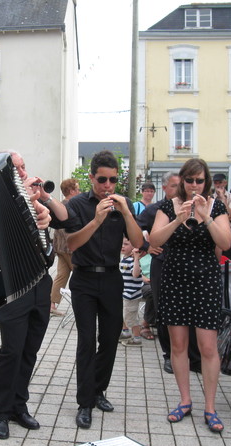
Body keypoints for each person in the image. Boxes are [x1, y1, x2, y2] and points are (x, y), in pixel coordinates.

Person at [0, 151, 71, 439]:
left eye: (25, 167)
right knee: (11, 350)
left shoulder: (33, 200)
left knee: (30, 350)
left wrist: (43, 204)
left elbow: (65, 219)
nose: (24, 172)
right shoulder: (0, 200)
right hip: (12, 289)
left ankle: (18, 406)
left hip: (40, 285)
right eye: (18, 168)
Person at [149, 158, 231, 433]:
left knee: (208, 347)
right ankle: (185, 401)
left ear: (206, 182)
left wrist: (206, 216)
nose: (194, 185)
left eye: (199, 181)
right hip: (175, 280)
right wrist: (179, 219)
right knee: (178, 346)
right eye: (190, 180)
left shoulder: (215, 205)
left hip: (206, 281)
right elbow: (155, 240)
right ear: (182, 181)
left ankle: (210, 406)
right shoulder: (167, 205)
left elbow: (226, 242)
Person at [65, 150, 144, 429]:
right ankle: (84, 402)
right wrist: (97, 220)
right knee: (86, 341)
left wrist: (126, 212)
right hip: (84, 279)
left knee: (110, 339)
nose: (108, 186)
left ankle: (98, 390)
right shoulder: (76, 204)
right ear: (91, 178)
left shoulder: (124, 205)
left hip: (112, 278)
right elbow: (71, 244)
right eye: (102, 179)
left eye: (112, 180)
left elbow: (139, 243)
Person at [138, 172, 201, 373]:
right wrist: (147, 246)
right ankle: (169, 355)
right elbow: (133, 226)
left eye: (180, 184)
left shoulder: (195, 207)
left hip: (188, 268)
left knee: (191, 311)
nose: (180, 188)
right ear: (165, 188)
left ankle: (193, 356)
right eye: (174, 185)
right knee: (164, 312)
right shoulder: (157, 209)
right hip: (163, 265)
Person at [50, 178, 80, 316]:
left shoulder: (59, 205)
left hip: (60, 248)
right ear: (72, 191)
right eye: (77, 189)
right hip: (70, 249)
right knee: (82, 277)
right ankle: (86, 305)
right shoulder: (72, 206)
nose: (79, 191)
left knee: (61, 276)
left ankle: (51, 304)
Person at [120, 238, 144, 347]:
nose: (123, 246)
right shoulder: (123, 259)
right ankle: (125, 332)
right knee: (122, 314)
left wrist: (136, 259)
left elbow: (136, 274)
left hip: (131, 294)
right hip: (124, 293)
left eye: (126, 244)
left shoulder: (133, 261)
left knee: (131, 318)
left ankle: (137, 338)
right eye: (121, 244)